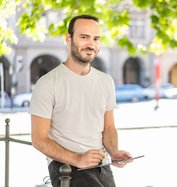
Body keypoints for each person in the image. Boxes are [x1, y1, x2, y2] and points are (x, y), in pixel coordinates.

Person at [29, 14, 132, 187]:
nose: (91, 44)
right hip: (65, 167)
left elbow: (108, 127)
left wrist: (114, 152)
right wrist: (78, 159)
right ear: (68, 38)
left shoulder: (106, 81)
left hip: (101, 164)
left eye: (96, 39)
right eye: (84, 37)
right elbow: (39, 139)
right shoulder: (47, 83)